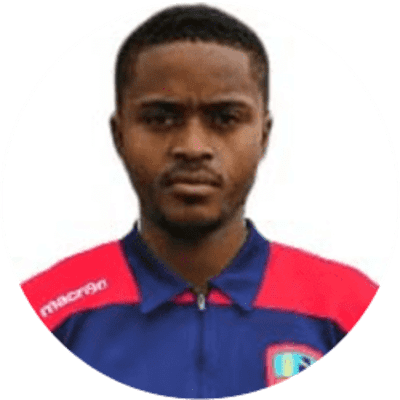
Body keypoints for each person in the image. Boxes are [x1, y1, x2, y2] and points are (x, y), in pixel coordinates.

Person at [20, 4, 379, 399]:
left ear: (263, 135)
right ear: (119, 135)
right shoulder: (45, 312)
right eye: (160, 118)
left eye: (225, 118)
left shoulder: (351, 310)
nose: (193, 147)